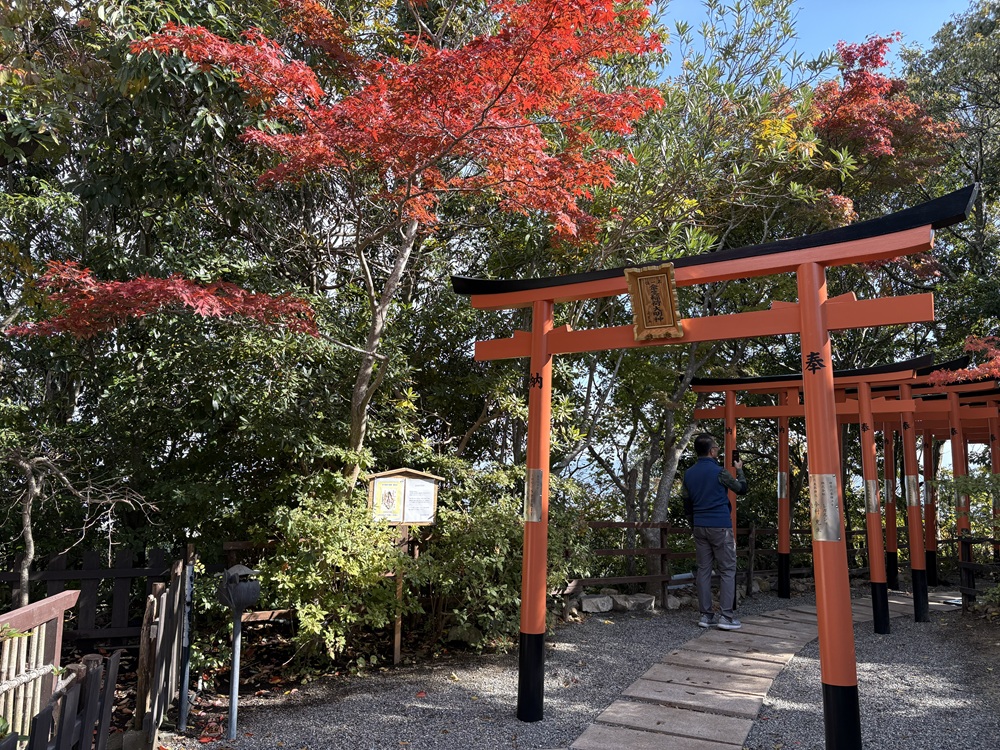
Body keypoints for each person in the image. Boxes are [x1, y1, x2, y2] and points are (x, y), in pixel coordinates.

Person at [681, 433, 748, 630]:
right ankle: (726, 616)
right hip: (720, 525)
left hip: (699, 526)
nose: (718, 451)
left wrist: (693, 524)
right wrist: (739, 470)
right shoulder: (721, 472)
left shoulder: (688, 474)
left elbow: (686, 502)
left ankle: (706, 615)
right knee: (727, 569)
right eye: (717, 448)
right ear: (711, 451)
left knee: (703, 570)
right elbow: (741, 489)